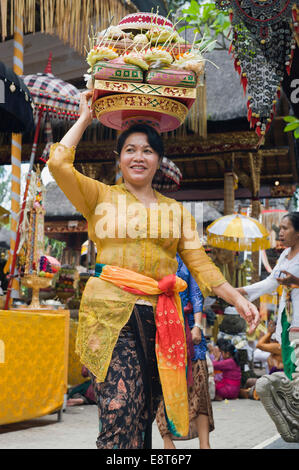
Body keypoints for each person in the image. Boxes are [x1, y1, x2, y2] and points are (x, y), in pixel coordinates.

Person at [47, 90, 260, 449]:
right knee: (119, 408)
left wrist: (236, 297)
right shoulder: (99, 196)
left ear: (159, 159)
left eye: (147, 150)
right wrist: (84, 118)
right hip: (110, 316)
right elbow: (57, 165)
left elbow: (200, 264)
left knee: (145, 412)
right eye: (130, 149)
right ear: (119, 158)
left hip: (162, 321)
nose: (138, 157)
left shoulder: (176, 212)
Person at [156, 255, 214, 449]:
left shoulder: (187, 257)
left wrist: (197, 325)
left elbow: (196, 293)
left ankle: (205, 445)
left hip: (189, 328)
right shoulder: (152, 255)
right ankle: (167, 442)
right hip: (161, 330)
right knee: (164, 387)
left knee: (199, 384)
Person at [237, 212, 299, 381]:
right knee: (289, 362)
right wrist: (240, 291)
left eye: (285, 228)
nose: (280, 232)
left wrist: (296, 281)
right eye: (280, 228)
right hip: (287, 317)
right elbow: (271, 282)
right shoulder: (285, 255)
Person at [239, 320, 283, 399]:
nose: (270, 342)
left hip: (277, 384)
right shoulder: (274, 349)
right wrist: (269, 333)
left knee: (243, 392)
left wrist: (269, 332)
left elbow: (259, 345)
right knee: (249, 382)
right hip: (271, 381)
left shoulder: (279, 347)